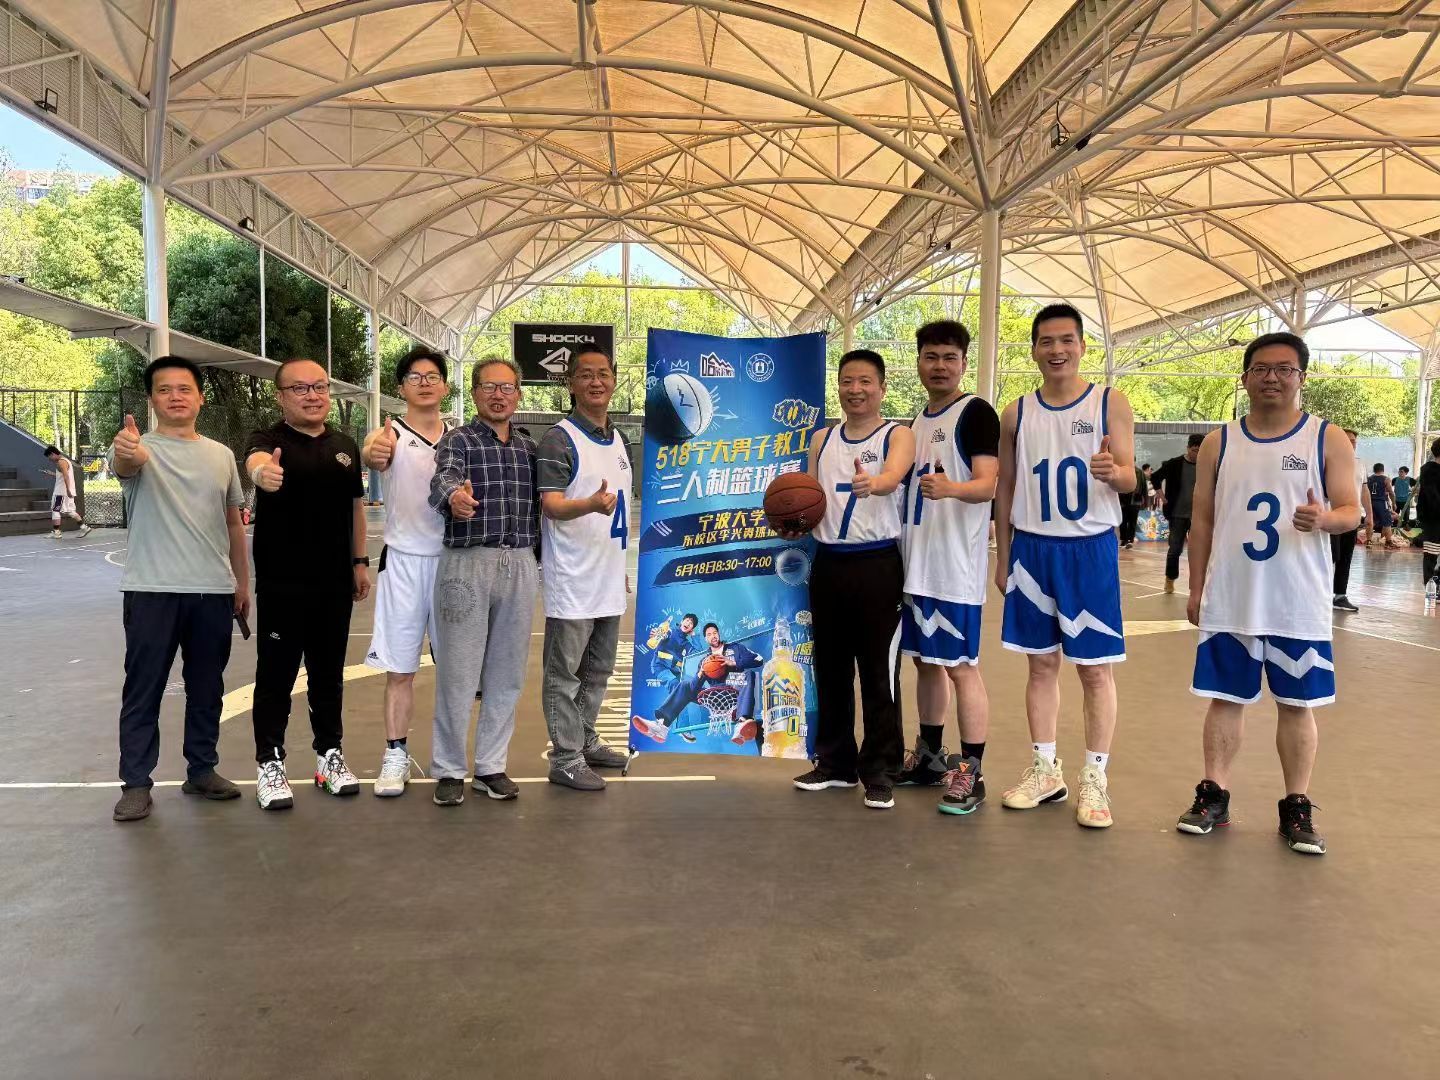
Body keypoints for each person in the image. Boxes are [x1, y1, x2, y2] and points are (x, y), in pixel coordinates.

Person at [1177, 332, 1359, 856]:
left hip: (1296, 599)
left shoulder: (1327, 438)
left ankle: (1296, 805)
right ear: (1245, 378)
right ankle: (1214, 794)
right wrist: (1196, 585)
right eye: (1261, 369)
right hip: (1232, 595)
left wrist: (1323, 519)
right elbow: (1203, 518)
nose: (1272, 378)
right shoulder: (1220, 442)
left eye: (1284, 369)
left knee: (1298, 704)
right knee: (1225, 698)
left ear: (1302, 377)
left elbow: (1352, 511)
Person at [994, 303, 1136, 829]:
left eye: (1066, 340)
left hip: (1089, 549)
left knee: (1095, 670)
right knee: (1040, 666)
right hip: (1033, 549)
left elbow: (1130, 479)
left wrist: (1114, 471)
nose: (1057, 350)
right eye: (1046, 341)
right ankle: (1045, 769)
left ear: (1082, 345)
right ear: (1034, 349)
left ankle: (1095, 776)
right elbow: (1005, 487)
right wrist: (1003, 554)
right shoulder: (1016, 413)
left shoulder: (1109, 402)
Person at [106, 356, 248, 821]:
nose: (175, 396)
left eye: (184, 388)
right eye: (164, 389)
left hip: (212, 590)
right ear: (152, 400)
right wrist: (125, 450)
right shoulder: (138, 448)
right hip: (152, 589)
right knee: (143, 688)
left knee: (207, 687)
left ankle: (201, 770)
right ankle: (136, 783)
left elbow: (233, 523)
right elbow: (125, 462)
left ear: (200, 397)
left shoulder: (222, 455)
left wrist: (241, 583)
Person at [788, 349, 915, 810]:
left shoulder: (897, 434)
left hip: (877, 565)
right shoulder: (821, 439)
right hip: (829, 565)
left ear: (881, 387)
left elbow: (894, 475)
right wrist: (793, 520)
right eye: (847, 381)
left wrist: (875, 483)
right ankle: (836, 763)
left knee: (880, 673)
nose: (855, 389)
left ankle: (881, 770)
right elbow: (808, 496)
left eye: (865, 382)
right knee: (831, 669)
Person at [244, 359, 369, 811]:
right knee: (275, 676)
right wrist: (263, 475)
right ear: (281, 396)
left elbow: (355, 508)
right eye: (300, 388)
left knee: (328, 675)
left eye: (319, 386)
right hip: (282, 583)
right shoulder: (267, 440)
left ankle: (329, 756)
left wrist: (359, 562)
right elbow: (257, 464)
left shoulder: (344, 446)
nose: (312, 395)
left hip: (333, 583)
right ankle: (269, 763)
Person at [891, 322, 1001, 816]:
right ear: (918, 362)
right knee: (925, 662)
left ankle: (972, 770)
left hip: (954, 569)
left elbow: (989, 484)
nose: (939, 366)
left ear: (963, 363)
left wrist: (951, 488)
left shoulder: (975, 412)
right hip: (917, 565)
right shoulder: (916, 421)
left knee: (961, 667)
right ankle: (931, 756)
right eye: (931, 356)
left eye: (949, 357)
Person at [427, 358, 539, 807]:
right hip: (468, 562)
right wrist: (454, 497)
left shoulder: (529, 448)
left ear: (518, 395)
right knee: (458, 671)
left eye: (507, 387)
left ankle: (491, 766)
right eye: (490, 387)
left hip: (521, 563)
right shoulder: (458, 440)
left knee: (507, 673)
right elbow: (444, 477)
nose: (499, 395)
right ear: (474, 393)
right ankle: (449, 768)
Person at [536, 347, 634, 792]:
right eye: (586, 375)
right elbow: (552, 505)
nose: (597, 382)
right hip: (573, 579)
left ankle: (586, 739)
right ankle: (565, 757)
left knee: (598, 671)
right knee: (564, 674)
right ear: (571, 384)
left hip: (608, 576)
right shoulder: (559, 439)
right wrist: (591, 504)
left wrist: (619, 565)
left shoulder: (620, 439)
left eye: (604, 374)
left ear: (614, 380)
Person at [360, 345, 450, 797]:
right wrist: (372, 451)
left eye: (432, 375)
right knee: (400, 670)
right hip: (404, 563)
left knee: (457, 671)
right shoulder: (388, 435)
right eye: (415, 376)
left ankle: (451, 759)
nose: (424, 382)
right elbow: (372, 454)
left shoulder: (460, 438)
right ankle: (395, 756)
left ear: (445, 386)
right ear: (401, 387)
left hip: (454, 563)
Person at [633, 623, 762, 744]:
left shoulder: (736, 648)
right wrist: (700, 673)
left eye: (715, 633)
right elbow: (694, 688)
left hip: (736, 695)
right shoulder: (705, 660)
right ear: (706, 639)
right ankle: (661, 726)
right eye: (709, 634)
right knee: (684, 685)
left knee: (748, 674)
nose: (713, 636)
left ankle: (743, 722)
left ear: (719, 634)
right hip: (716, 699)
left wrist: (733, 662)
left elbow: (758, 659)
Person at [1152, 434, 1204, 591]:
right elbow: (1155, 477)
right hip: (1177, 515)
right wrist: (1162, 497)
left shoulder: (1206, 465)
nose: (1197, 454)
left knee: (1199, 551)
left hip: (1199, 516)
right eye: (1194, 450)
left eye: (1200, 451)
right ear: (1188, 448)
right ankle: (1170, 578)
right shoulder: (1174, 464)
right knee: (1175, 549)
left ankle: (1197, 583)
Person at [1330, 428, 1369, 612]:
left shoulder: (1360, 464)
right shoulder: (1327, 460)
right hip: (1332, 517)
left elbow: (1364, 490)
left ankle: (1340, 596)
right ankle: (1320, 594)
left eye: (1354, 441)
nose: (1351, 444)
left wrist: (1369, 515)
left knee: (1345, 557)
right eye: (1348, 440)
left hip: (1352, 517)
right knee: (1330, 556)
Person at [43, 445, 91, 539]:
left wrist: (68, 490)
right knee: (70, 511)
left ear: (53, 454)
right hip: (66, 492)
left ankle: (56, 532)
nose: (50, 460)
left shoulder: (61, 462)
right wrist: (51, 474)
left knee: (55, 510)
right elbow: (62, 476)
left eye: (49, 457)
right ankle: (84, 527)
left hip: (61, 492)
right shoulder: (66, 461)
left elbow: (66, 476)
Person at [648, 613, 698, 686]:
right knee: (675, 684)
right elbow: (665, 635)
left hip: (675, 671)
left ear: (691, 629)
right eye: (687, 620)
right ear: (682, 621)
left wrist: (694, 636)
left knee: (690, 686)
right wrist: (658, 634)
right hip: (660, 667)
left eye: (691, 624)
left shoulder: (686, 643)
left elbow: (697, 654)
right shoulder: (670, 631)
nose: (688, 624)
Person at [1417, 439, 1440, 587]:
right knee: (1431, 554)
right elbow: (1432, 497)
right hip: (1433, 520)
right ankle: (1430, 587)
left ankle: (1435, 582)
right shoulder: (1430, 471)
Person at [1365, 463, 1395, 546]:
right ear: (1383, 470)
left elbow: (1364, 491)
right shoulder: (1386, 479)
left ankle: (1368, 541)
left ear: (1374, 470)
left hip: (1370, 502)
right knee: (1387, 522)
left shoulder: (1368, 479)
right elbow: (1391, 492)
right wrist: (1394, 503)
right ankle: (1388, 541)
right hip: (1381, 502)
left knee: (1371, 521)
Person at [1119, 461, 1148, 549]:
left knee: (1132, 521)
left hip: (1135, 501)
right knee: (1123, 521)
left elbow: (1144, 487)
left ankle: (1130, 540)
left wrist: (1145, 501)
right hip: (1123, 501)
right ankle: (1123, 539)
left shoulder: (1140, 472)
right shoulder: (1122, 471)